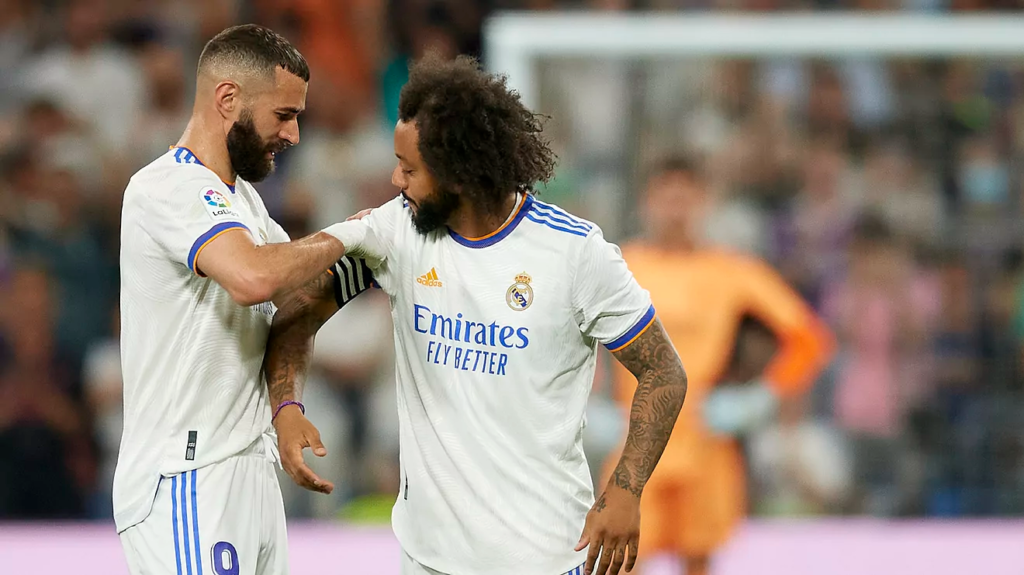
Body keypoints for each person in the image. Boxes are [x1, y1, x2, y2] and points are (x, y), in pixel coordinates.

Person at [264, 54, 688, 575]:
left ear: (458, 173)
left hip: (545, 558)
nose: (396, 180)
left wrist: (626, 488)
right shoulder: (396, 232)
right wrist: (286, 406)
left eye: (410, 169)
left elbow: (664, 371)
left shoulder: (576, 253)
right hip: (428, 559)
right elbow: (298, 310)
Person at [115, 24, 370, 575]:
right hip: (187, 475)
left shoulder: (246, 205)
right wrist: (352, 235)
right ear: (227, 98)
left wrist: (287, 408)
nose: (294, 135)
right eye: (284, 115)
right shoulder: (167, 187)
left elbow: (299, 303)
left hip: (249, 470)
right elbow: (253, 279)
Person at [605, 157, 835, 575]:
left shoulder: (730, 270)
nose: (676, 210)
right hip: (636, 442)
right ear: (647, 202)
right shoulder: (619, 265)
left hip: (703, 438)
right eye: (667, 198)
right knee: (622, 560)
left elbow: (809, 339)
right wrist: (583, 409)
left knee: (699, 559)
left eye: (686, 198)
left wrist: (759, 398)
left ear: (705, 202)